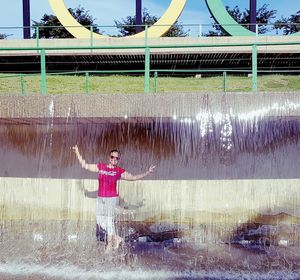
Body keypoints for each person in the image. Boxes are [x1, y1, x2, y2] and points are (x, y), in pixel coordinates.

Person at [72, 145, 155, 250]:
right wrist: (77, 152)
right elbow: (85, 165)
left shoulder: (119, 171)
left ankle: (109, 245)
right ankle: (117, 238)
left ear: (118, 160)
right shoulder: (101, 167)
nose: (114, 159)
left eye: (117, 158)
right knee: (100, 220)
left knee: (109, 221)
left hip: (111, 199)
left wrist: (147, 173)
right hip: (100, 198)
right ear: (109, 157)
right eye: (112, 157)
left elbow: (133, 177)